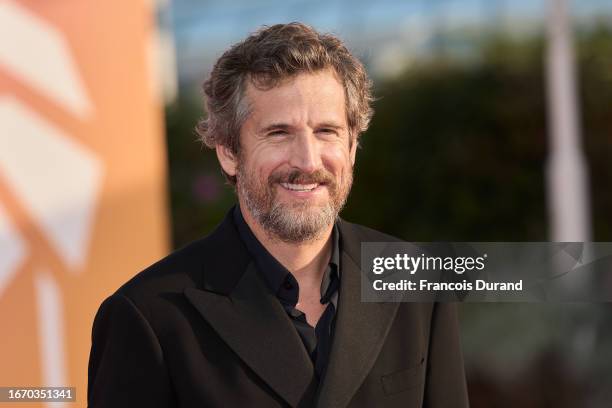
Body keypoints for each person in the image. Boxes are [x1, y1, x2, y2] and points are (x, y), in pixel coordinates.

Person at [87, 22, 469, 408]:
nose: (307, 160)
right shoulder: (147, 316)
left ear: (353, 146)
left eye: (326, 131)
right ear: (229, 152)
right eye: (279, 133)